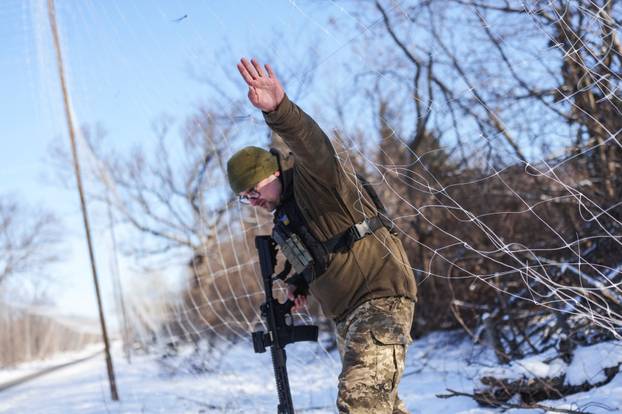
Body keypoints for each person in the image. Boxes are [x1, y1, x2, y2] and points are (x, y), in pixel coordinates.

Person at [227, 57, 418, 414]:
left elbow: (313, 145)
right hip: (349, 314)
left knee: (359, 401)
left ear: (273, 172)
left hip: (378, 296)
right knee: (384, 407)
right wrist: (299, 283)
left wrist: (279, 110)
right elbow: (320, 253)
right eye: (245, 197)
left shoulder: (314, 182)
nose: (252, 200)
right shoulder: (285, 217)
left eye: (254, 189)